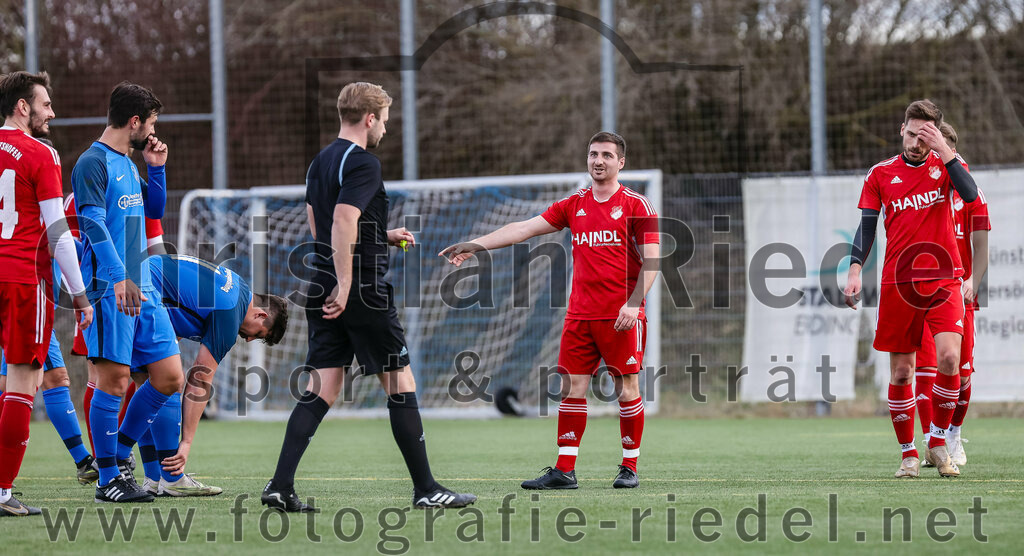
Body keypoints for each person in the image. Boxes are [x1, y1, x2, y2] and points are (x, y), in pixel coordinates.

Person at [261, 82, 476, 512]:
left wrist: (381, 236)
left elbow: (318, 221)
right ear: (370, 118)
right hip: (356, 289)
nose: (385, 131)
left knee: (323, 386)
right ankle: (427, 488)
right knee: (401, 381)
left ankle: (279, 487)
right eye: (386, 122)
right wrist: (347, 279)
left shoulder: (320, 162)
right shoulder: (363, 163)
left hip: (322, 283)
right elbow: (342, 218)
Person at [441, 131, 660, 490]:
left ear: (621, 162)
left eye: (607, 155)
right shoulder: (575, 204)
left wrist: (634, 303)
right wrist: (476, 244)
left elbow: (652, 260)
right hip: (579, 316)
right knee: (572, 387)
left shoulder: (637, 205)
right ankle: (564, 470)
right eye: (593, 154)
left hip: (621, 315)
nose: (598, 160)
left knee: (626, 387)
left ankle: (629, 467)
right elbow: (523, 229)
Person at [843, 99, 979, 478]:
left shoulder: (949, 165)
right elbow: (867, 227)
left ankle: (937, 442)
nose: (918, 141)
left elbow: (970, 195)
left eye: (926, 134)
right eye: (913, 132)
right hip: (899, 285)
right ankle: (908, 453)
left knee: (950, 359)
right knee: (902, 371)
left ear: (933, 133)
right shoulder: (880, 174)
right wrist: (855, 268)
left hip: (944, 280)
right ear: (901, 129)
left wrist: (945, 150)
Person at [72, 81, 183, 503]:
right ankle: (107, 480)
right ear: (134, 121)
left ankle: (116, 455)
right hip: (110, 287)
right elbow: (94, 225)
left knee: (170, 376)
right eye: (150, 124)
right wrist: (118, 277)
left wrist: (156, 167)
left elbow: (153, 210)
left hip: (144, 288)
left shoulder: (129, 163)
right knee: (115, 381)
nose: (152, 132)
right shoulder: (92, 163)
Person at [0, 70, 92, 516]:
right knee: (24, 382)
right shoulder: (41, 154)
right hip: (22, 280)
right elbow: (57, 233)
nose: (51, 112)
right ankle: (1, 492)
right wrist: (79, 295)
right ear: (23, 107)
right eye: (46, 104)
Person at [129, 253, 288, 497]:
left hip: (134, 280)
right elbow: (200, 379)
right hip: (145, 291)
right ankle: (166, 475)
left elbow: (181, 307)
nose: (248, 339)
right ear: (261, 315)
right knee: (169, 382)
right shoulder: (231, 314)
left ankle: (153, 477)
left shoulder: (238, 286)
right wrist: (187, 442)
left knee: (150, 382)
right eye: (259, 334)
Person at [913, 123, 989, 467]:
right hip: (927, 292)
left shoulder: (968, 191)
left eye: (947, 151)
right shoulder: (927, 191)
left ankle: (953, 434)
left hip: (962, 293)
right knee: (926, 370)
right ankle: (934, 440)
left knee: (962, 373)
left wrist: (974, 278)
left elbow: (982, 240)